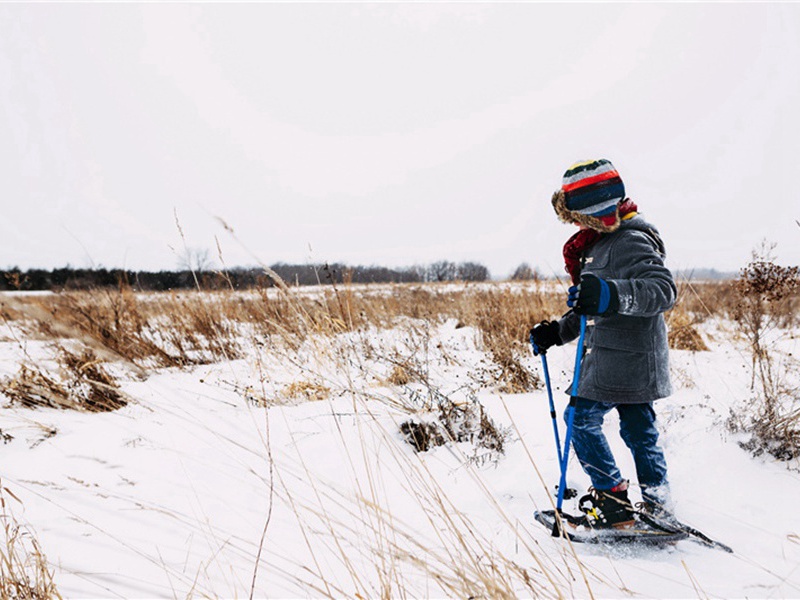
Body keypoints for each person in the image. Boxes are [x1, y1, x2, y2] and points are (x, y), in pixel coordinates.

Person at [530, 159, 677, 529]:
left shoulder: (630, 240)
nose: (576, 224)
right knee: (639, 429)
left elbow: (663, 291)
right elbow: (590, 308)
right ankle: (658, 506)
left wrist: (612, 293)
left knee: (580, 419)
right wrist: (556, 332)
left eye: (580, 216)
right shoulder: (597, 245)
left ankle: (613, 502)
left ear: (596, 212)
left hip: (627, 358)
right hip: (616, 357)